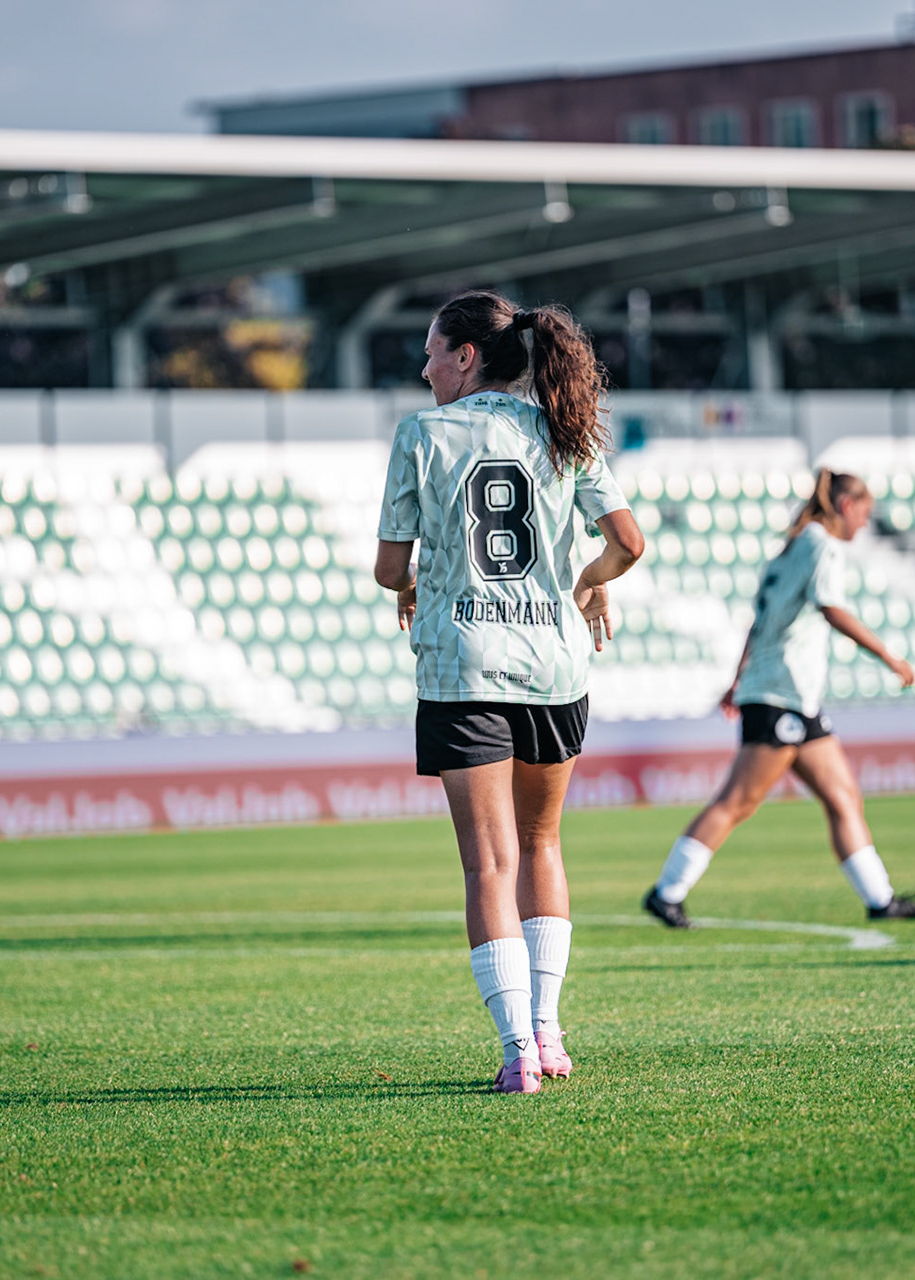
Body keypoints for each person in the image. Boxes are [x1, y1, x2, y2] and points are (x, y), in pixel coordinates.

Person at [375, 290, 644, 1094]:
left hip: (465, 668)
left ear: (465, 355)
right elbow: (628, 543)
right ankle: (551, 1032)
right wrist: (588, 582)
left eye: (431, 352)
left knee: (488, 865)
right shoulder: (564, 428)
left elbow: (392, 569)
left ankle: (516, 1053)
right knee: (543, 847)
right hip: (555, 664)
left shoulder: (423, 433)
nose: (423, 368)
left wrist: (413, 583)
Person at [644, 470, 915, 928]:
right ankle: (667, 892)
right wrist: (889, 655)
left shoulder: (791, 549)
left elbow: (759, 622)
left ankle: (881, 899)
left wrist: (735, 680)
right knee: (737, 802)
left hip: (790, 698)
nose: (864, 525)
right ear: (846, 506)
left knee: (843, 798)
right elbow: (831, 607)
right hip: (779, 696)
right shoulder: (821, 545)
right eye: (864, 513)